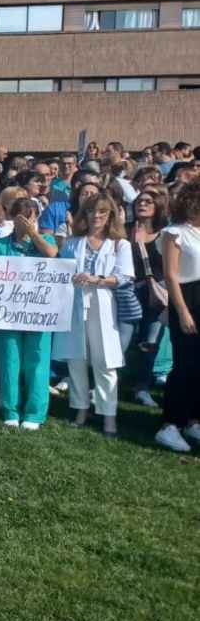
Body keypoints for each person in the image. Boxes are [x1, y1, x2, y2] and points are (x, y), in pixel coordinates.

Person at [56, 195, 133, 436]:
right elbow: (61, 271)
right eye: (91, 212)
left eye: (102, 212)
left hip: (103, 304)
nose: (96, 217)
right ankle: (80, 409)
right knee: (76, 359)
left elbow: (124, 277)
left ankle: (108, 416)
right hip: (75, 304)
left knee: (105, 362)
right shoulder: (72, 242)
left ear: (110, 215)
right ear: (84, 215)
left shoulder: (120, 244)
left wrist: (96, 279)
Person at [0, 198, 59, 429]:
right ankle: (10, 408)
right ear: (13, 218)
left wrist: (33, 233)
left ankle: (34, 413)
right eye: (22, 217)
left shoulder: (46, 240)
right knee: (10, 360)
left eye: (32, 216)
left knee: (36, 361)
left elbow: (51, 254)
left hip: (38, 314)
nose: (27, 221)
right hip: (8, 314)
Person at [154, 182, 200, 452]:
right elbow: (171, 275)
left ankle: (193, 420)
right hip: (188, 299)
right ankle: (170, 425)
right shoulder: (174, 233)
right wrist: (182, 311)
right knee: (186, 363)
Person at [129, 188, 169, 408]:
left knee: (150, 341)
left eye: (148, 201)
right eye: (139, 201)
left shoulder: (165, 234)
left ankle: (142, 387)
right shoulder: (126, 231)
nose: (142, 204)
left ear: (157, 207)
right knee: (124, 339)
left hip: (155, 294)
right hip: (129, 292)